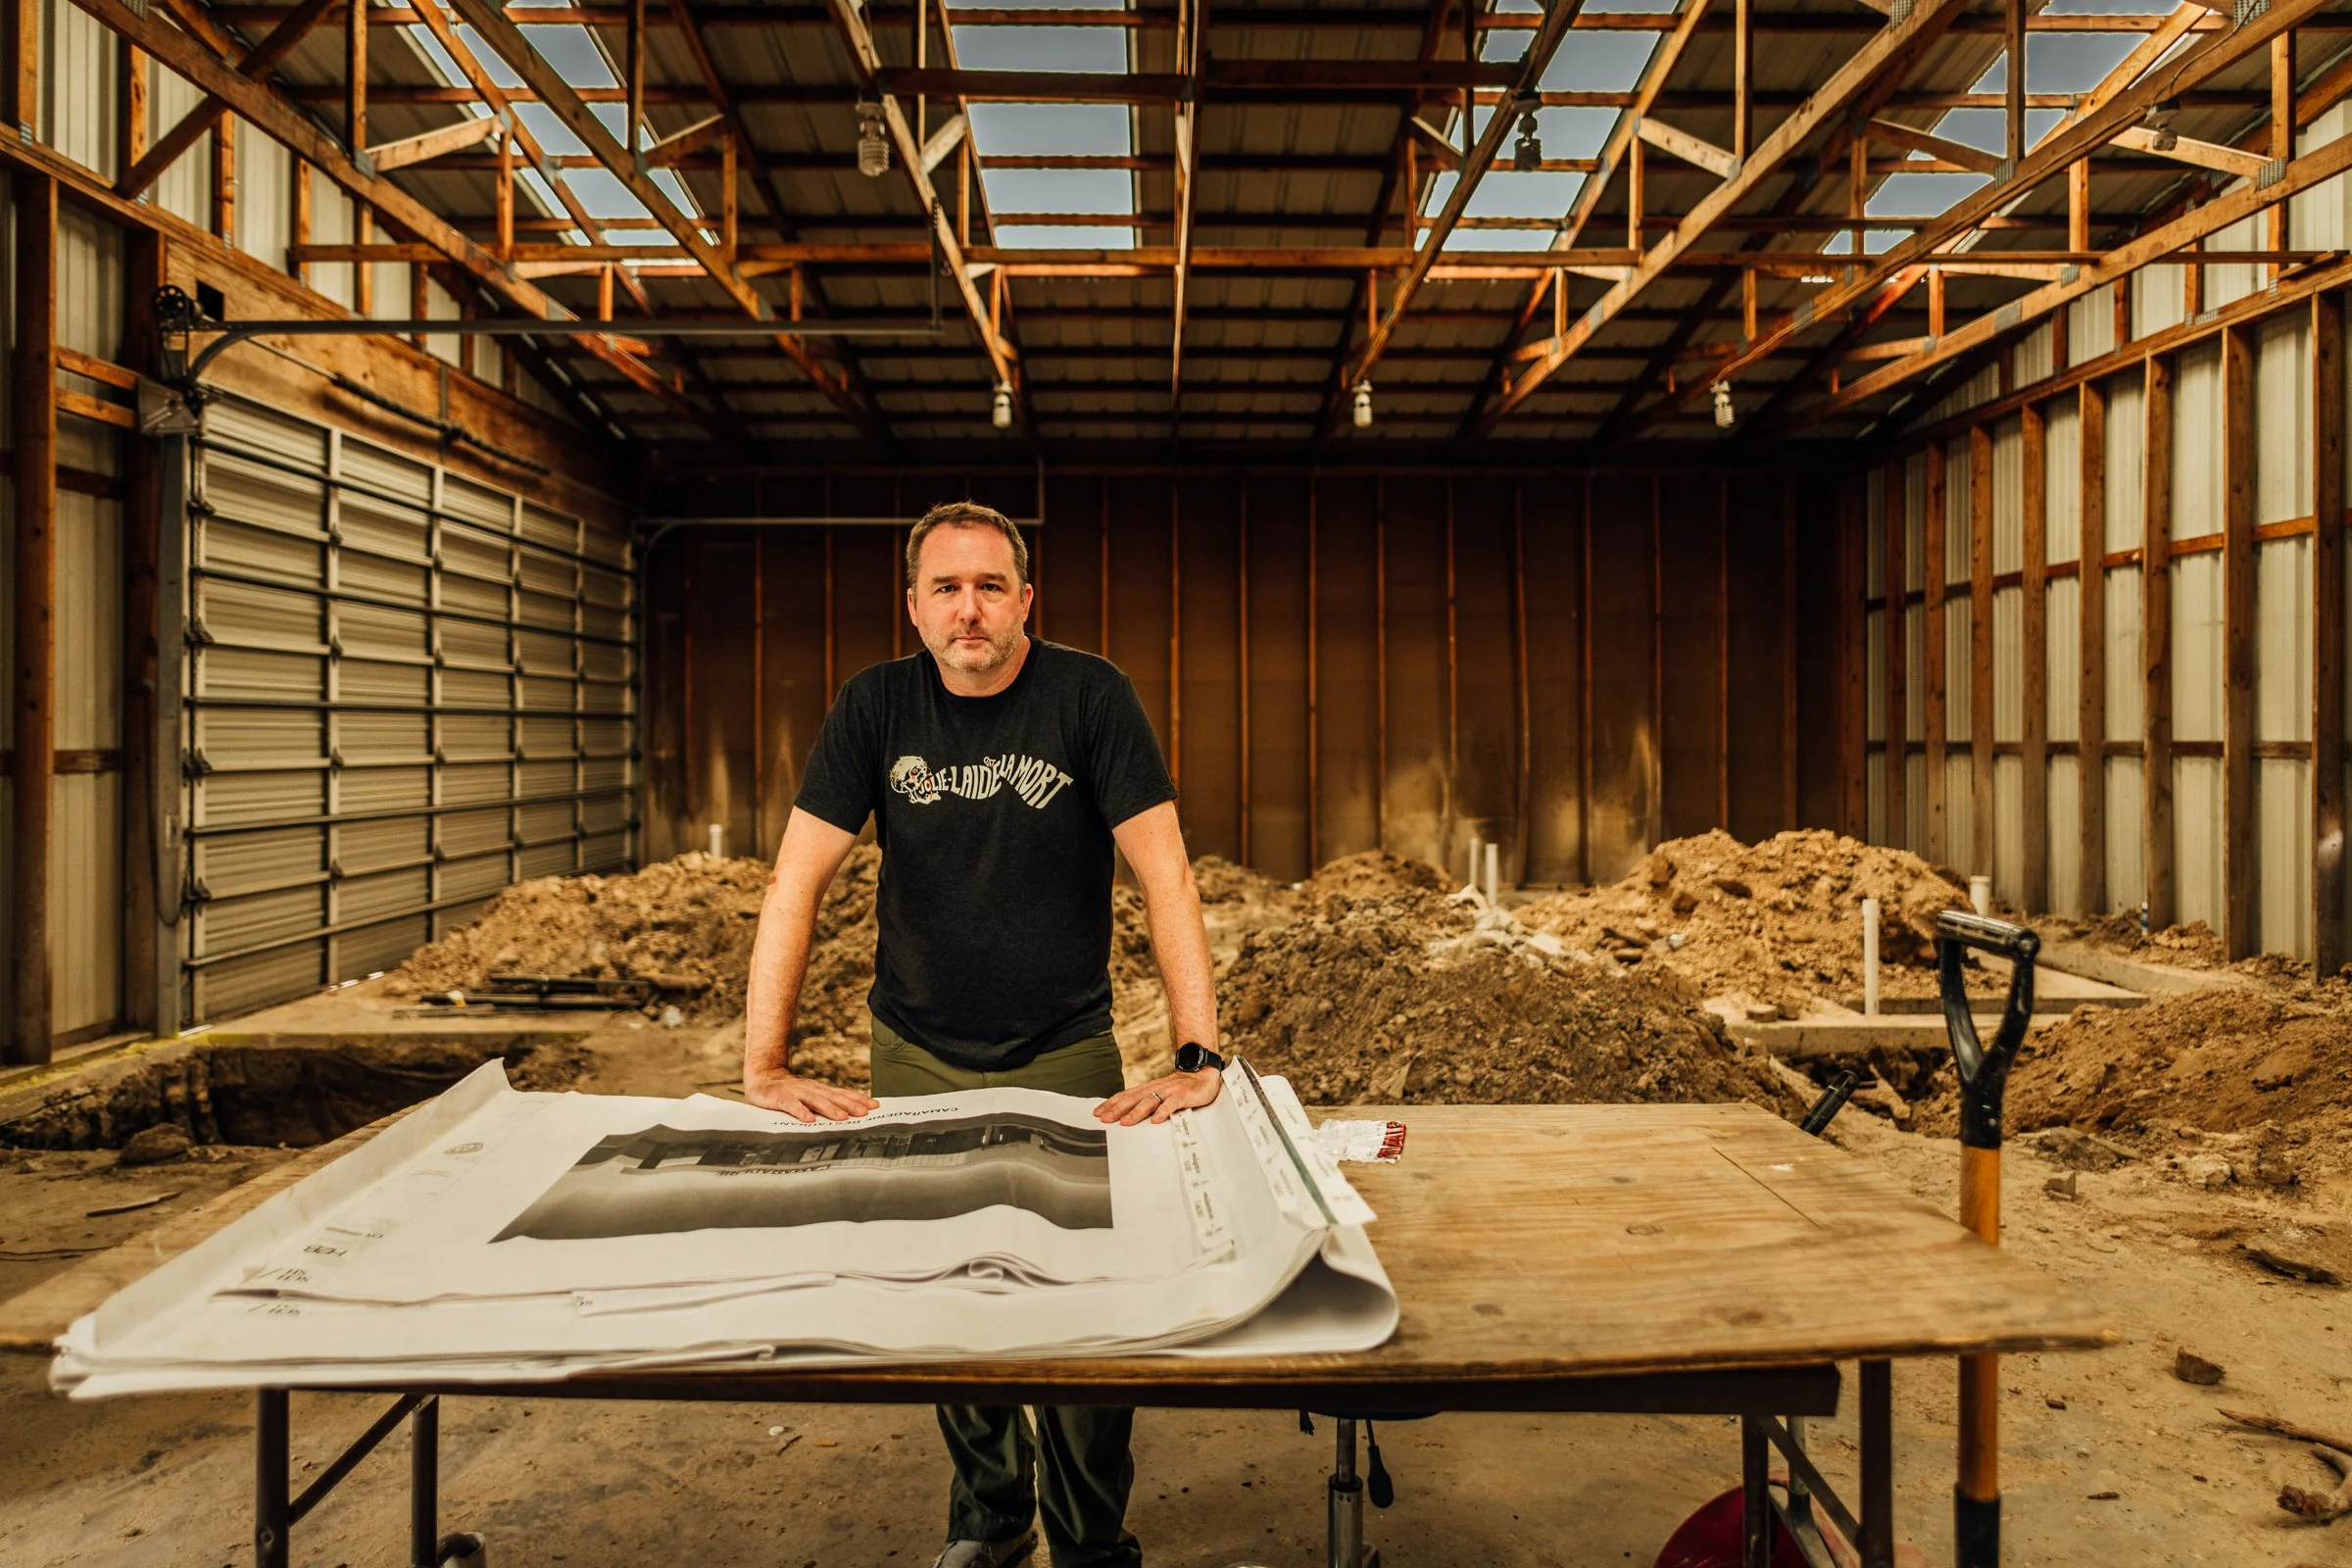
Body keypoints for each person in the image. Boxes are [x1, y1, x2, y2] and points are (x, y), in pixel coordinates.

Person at [740, 499, 1223, 1568]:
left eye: (991, 585)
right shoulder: (873, 705)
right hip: (915, 1048)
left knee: (1089, 1308)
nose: (970, 608)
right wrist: (762, 1065)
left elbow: (1167, 876)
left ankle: (1094, 1537)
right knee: (951, 1302)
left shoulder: (1090, 697)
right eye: (947, 588)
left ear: (1025, 602)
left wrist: (1198, 1055)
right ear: (913, 607)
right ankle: (993, 1519)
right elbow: (795, 881)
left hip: (1065, 1049)